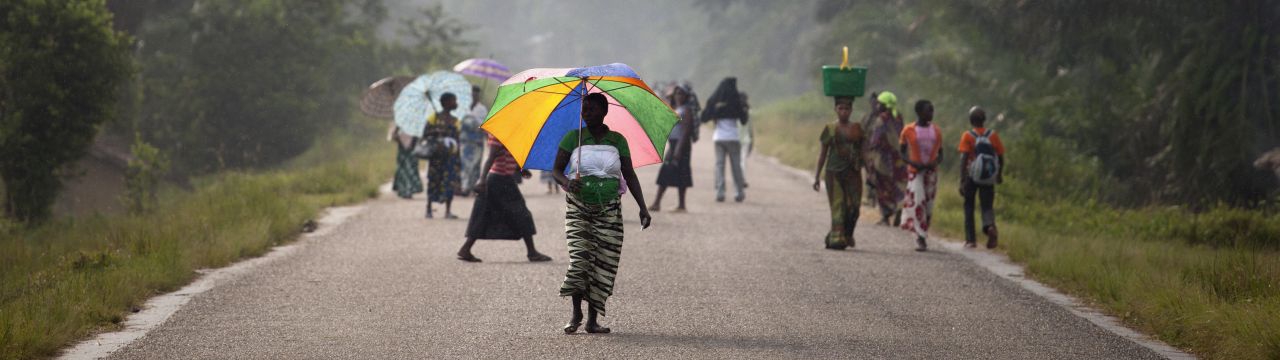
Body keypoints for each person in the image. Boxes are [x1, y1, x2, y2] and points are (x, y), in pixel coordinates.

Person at [553, 93, 652, 334]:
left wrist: (642, 206)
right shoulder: (572, 137)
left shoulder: (617, 140)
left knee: (602, 263)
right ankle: (576, 313)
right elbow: (555, 170)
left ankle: (592, 320)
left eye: (591, 108)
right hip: (578, 208)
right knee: (580, 259)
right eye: (584, 109)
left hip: (609, 210)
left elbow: (629, 174)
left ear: (604, 111)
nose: (586, 112)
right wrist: (567, 181)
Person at [456, 132, 553, 263]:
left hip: (503, 179)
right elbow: (490, 158)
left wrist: (520, 168)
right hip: (497, 180)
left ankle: (465, 249)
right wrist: (482, 180)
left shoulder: (510, 135)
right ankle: (532, 252)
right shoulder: (498, 135)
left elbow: (510, 154)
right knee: (521, 214)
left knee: (485, 215)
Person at [812, 96, 865, 250]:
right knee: (837, 206)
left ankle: (847, 234)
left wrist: (869, 172)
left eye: (847, 109)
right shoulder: (830, 129)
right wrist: (817, 176)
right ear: (835, 109)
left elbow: (864, 151)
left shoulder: (857, 128)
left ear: (851, 110)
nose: (843, 112)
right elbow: (823, 154)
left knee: (854, 208)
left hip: (853, 173)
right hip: (833, 173)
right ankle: (836, 238)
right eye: (840, 108)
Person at [957, 106, 1005, 249]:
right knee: (987, 206)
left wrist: (962, 179)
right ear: (984, 120)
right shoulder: (993, 135)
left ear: (970, 120)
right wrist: (999, 174)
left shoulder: (968, 136)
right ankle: (989, 226)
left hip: (972, 175)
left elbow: (964, 158)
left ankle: (971, 240)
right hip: (988, 176)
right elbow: (1001, 157)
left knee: (969, 206)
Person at [899, 100, 943, 251]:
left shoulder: (936, 130)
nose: (931, 113)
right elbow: (902, 151)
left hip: (930, 172)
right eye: (928, 110)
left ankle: (923, 232)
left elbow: (940, 154)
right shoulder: (908, 130)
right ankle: (920, 237)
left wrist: (934, 163)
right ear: (919, 112)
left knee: (928, 206)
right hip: (915, 171)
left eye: (932, 110)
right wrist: (912, 162)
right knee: (918, 202)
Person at [701, 77, 749, 203]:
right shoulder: (736, 101)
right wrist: (745, 108)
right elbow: (744, 120)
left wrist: (715, 110)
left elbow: (704, 117)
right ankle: (739, 192)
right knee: (736, 166)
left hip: (719, 138)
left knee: (719, 165)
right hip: (733, 138)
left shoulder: (716, 101)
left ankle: (720, 192)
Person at [649, 84, 695, 212]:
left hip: (681, 145)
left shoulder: (686, 110)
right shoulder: (676, 107)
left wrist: (678, 150)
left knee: (675, 172)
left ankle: (659, 203)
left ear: (686, 96)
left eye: (681, 94)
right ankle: (676, 205)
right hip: (675, 144)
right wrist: (670, 96)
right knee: (675, 172)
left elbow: (686, 131)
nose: (678, 96)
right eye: (677, 94)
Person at [865, 91, 907, 226]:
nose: (877, 106)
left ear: (884, 105)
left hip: (883, 159)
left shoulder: (881, 119)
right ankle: (899, 209)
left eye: (879, 104)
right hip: (898, 158)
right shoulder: (899, 117)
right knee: (898, 185)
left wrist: (869, 155)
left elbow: (875, 140)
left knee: (882, 186)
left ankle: (886, 216)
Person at [425, 92, 462, 219]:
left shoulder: (455, 120)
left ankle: (448, 210)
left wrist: (457, 159)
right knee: (433, 181)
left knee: (449, 182)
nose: (455, 103)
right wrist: (435, 132)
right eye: (453, 100)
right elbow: (425, 134)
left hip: (450, 157)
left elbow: (458, 139)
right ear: (445, 102)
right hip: (436, 157)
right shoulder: (433, 118)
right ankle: (429, 209)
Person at [458, 86, 489, 197]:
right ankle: (465, 187)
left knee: (476, 165)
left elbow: (484, 125)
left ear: (478, 95)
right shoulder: (463, 108)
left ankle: (474, 187)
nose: (473, 96)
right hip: (465, 141)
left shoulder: (482, 109)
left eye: (475, 94)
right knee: (465, 165)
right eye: (471, 94)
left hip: (477, 141)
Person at [389, 122, 423, 199]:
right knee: (405, 169)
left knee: (406, 169)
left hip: (409, 150)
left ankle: (406, 190)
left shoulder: (402, 120)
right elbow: (393, 135)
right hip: (405, 151)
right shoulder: (401, 120)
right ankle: (406, 189)